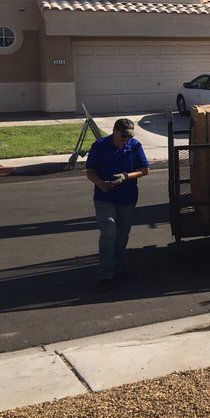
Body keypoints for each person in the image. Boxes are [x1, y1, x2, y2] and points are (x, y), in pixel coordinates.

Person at [85, 118, 149, 291]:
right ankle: (106, 274)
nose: (126, 139)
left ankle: (120, 267)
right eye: (123, 136)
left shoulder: (134, 146)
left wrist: (126, 176)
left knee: (122, 234)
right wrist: (100, 183)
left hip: (127, 197)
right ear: (114, 131)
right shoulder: (99, 146)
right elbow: (90, 171)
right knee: (109, 230)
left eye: (129, 136)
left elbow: (144, 169)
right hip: (104, 196)